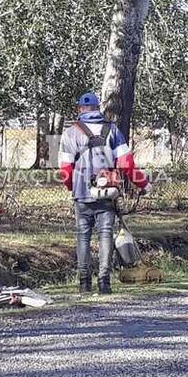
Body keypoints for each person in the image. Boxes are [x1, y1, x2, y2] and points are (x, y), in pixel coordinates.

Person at [58, 92, 149, 294]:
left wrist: (72, 187)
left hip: (82, 193)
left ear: (80, 109)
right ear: (97, 108)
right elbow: (126, 164)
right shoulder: (113, 130)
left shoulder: (70, 133)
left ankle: (84, 283)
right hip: (107, 192)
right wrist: (142, 183)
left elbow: (65, 169)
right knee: (105, 235)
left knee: (83, 235)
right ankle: (104, 282)